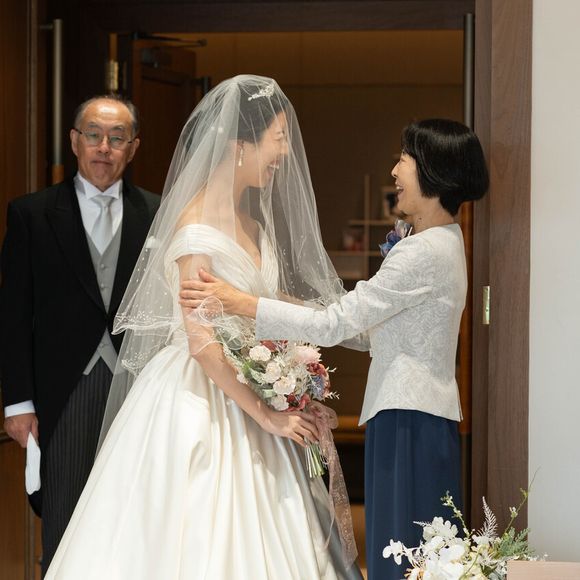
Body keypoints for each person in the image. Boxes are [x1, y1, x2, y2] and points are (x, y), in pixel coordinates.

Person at [44, 75, 362, 580]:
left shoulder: (252, 224)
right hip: (199, 392)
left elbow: (264, 307)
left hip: (249, 383)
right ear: (240, 146)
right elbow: (201, 342)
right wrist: (266, 413)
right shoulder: (195, 227)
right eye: (278, 139)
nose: (284, 154)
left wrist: (317, 346)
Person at [180, 118, 490, 580]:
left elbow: (336, 324)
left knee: (402, 552)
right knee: (418, 550)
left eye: (404, 159)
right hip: (417, 413)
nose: (394, 172)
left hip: (409, 416)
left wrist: (242, 302)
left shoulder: (421, 252)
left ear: (433, 172)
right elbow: (364, 331)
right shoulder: (441, 242)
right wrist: (282, 302)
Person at [0, 94, 160, 575]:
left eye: (117, 138)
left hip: (138, 388)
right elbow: (13, 314)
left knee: (134, 519)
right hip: (63, 392)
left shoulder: (158, 213)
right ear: (74, 142)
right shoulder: (31, 214)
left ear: (133, 147)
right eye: (93, 135)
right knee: (65, 520)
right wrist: (17, 403)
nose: (103, 147)